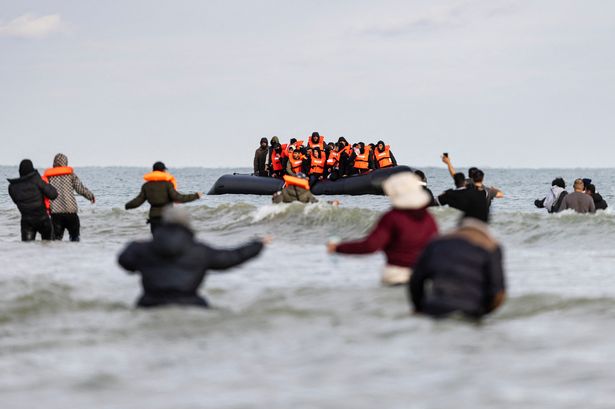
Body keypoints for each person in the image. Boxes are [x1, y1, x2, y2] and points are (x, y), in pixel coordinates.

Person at [118, 206, 268, 308]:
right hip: (190, 305)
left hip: (150, 305)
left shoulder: (144, 249)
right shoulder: (199, 251)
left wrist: (134, 245)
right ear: (187, 225)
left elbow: (124, 261)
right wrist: (257, 244)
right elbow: (231, 257)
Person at [327, 172, 437, 285]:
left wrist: (338, 248)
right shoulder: (429, 218)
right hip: (423, 275)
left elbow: (371, 245)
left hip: (397, 275)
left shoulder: (393, 217)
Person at [409, 217, 506, 319]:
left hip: (435, 308)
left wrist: (419, 307)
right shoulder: (491, 247)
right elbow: (498, 293)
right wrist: (483, 312)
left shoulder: (436, 242)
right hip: (471, 310)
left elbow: (416, 280)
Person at [125, 162, 203, 233]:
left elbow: (138, 201)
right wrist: (196, 196)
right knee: (167, 242)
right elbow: (178, 198)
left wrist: (127, 205)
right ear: (163, 171)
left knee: (157, 242)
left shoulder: (146, 185)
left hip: (154, 218)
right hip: (167, 217)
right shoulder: (168, 184)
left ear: (153, 171)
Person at [43, 153, 95, 241]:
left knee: (56, 240)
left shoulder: (48, 177)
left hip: (56, 214)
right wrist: (90, 196)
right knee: (75, 239)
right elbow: (80, 189)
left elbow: (43, 192)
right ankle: (74, 254)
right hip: (71, 212)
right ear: (65, 163)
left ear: (54, 163)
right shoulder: (71, 175)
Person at [7, 159, 58, 241]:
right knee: (49, 248)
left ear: (20, 171)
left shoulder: (12, 187)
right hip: (43, 220)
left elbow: (16, 201)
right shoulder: (37, 180)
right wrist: (45, 183)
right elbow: (53, 195)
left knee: (27, 250)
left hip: (27, 222)